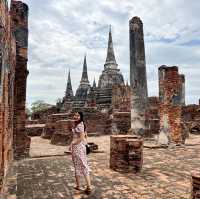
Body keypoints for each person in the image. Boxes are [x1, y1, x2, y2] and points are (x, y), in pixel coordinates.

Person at [69, 112, 91, 194]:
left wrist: (72, 143)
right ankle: (78, 185)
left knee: (82, 165)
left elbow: (81, 137)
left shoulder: (80, 125)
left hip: (78, 147)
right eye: (75, 115)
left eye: (78, 115)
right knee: (77, 165)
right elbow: (85, 135)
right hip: (78, 147)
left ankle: (88, 187)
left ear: (81, 117)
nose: (76, 116)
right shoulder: (79, 124)